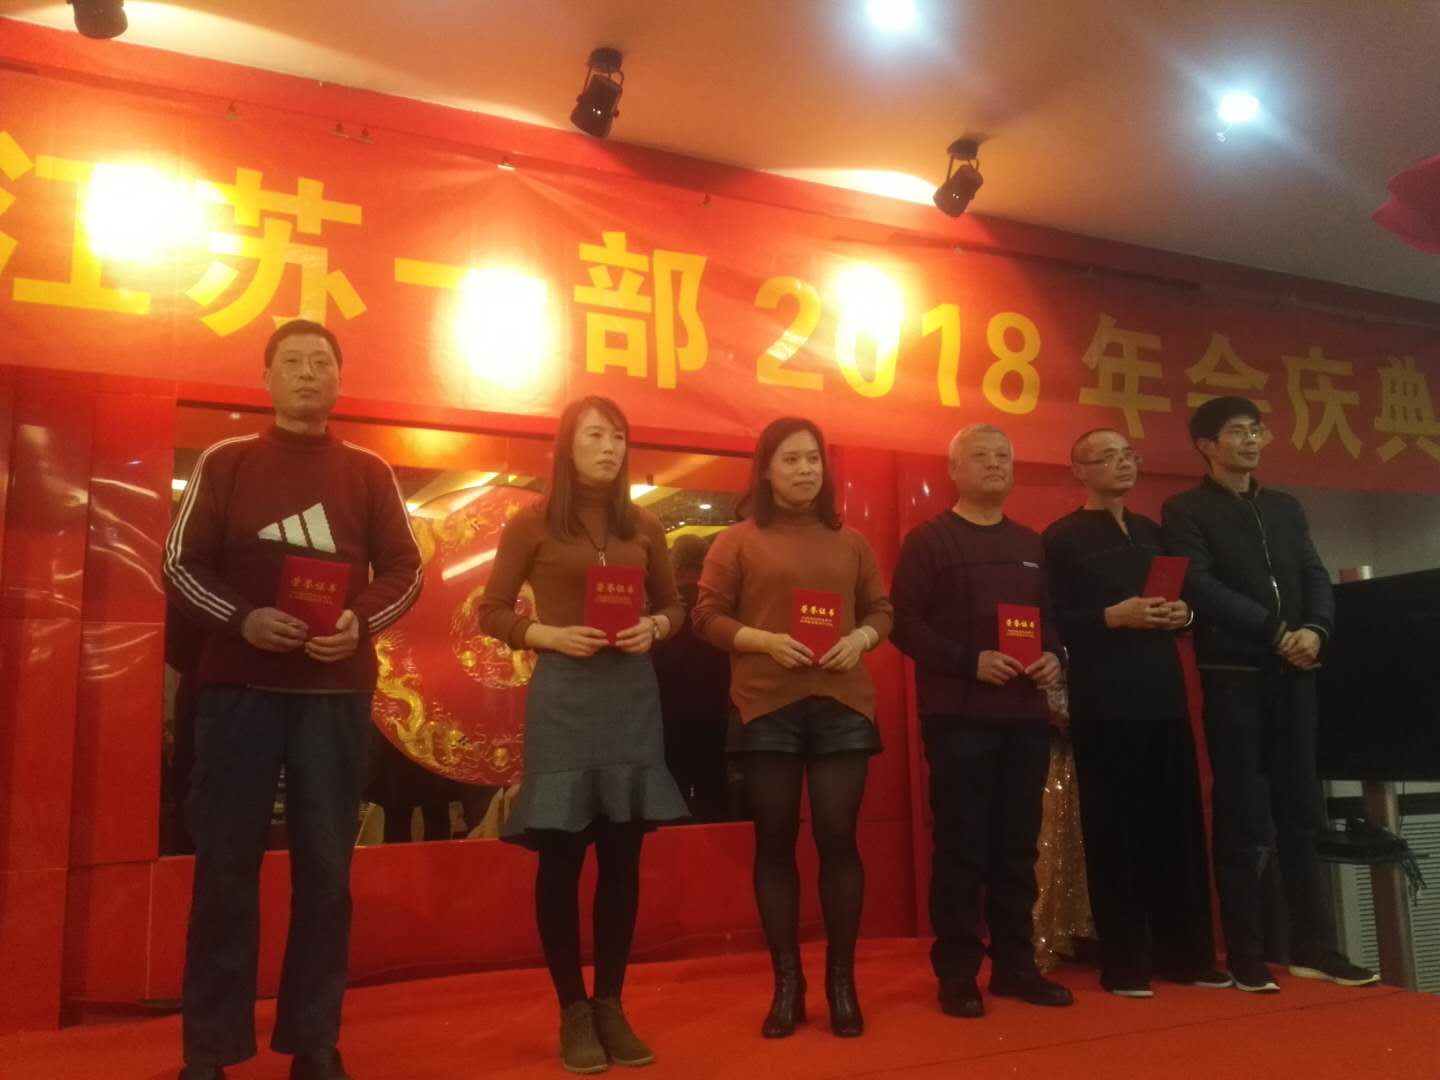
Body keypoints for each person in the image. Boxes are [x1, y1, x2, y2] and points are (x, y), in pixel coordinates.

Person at [163, 320, 424, 1080]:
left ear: (339, 380)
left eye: (321, 362)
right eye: (293, 362)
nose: (308, 372)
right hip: (237, 693)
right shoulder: (226, 460)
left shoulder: (369, 471)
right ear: (267, 379)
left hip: (333, 694)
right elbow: (179, 563)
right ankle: (210, 1049)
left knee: (327, 874)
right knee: (224, 870)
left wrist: (358, 621)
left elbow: (406, 569)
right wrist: (243, 618)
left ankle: (314, 1042)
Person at [477, 395, 690, 1074]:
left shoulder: (644, 524)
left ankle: (611, 1003)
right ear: (567, 446)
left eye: (618, 437)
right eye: (595, 435)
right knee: (562, 858)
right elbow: (491, 611)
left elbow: (675, 605)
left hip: (631, 697)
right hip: (564, 697)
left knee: (623, 858)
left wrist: (656, 627)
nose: (608, 448)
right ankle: (572, 1008)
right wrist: (546, 634)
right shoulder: (532, 523)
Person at [1162, 397, 1378, 993]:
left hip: (1296, 674)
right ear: (1207, 446)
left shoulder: (1285, 507)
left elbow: (1313, 573)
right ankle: (1246, 952)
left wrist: (1317, 630)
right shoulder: (1185, 510)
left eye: (1257, 430)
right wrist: (1274, 631)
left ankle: (1313, 946)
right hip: (1235, 673)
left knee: (1302, 811)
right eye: (1238, 432)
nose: (1252, 440)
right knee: (1241, 812)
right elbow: (1197, 582)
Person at [693, 417, 892, 1039]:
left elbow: (882, 610)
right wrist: (764, 641)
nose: (805, 469)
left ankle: (841, 983)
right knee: (774, 842)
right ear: (767, 470)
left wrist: (861, 638)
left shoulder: (851, 542)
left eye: (813, 459)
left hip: (842, 703)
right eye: (790, 459)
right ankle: (788, 984)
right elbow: (706, 616)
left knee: (838, 838)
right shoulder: (737, 541)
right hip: (765, 704)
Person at [890, 423, 1072, 1019]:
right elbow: (903, 624)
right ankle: (958, 972)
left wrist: (1054, 656)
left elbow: (1050, 621)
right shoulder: (929, 541)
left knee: (1017, 848)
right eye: (981, 456)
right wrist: (970, 662)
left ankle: (1016, 967)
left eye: (1003, 457)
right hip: (958, 717)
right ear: (954, 469)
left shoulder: (1031, 542)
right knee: (962, 847)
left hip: (1024, 716)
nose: (995, 464)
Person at [1042, 428, 1228, 997]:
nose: (1122, 465)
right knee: (1115, 832)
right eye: (1107, 457)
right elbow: (1051, 622)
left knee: (1177, 827)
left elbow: (1186, 603)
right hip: (1104, 701)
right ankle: (1125, 963)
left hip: (1164, 697)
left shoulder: (1153, 531)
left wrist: (1183, 617)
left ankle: (1188, 955)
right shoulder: (1061, 538)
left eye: (1128, 456)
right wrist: (1111, 617)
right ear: (1079, 470)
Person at [652, 533, 732, 821]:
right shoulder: (722, 606)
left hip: (668, 711)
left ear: (674, 566)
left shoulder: (661, 608)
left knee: (674, 789)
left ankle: (679, 841)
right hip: (716, 710)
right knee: (714, 788)